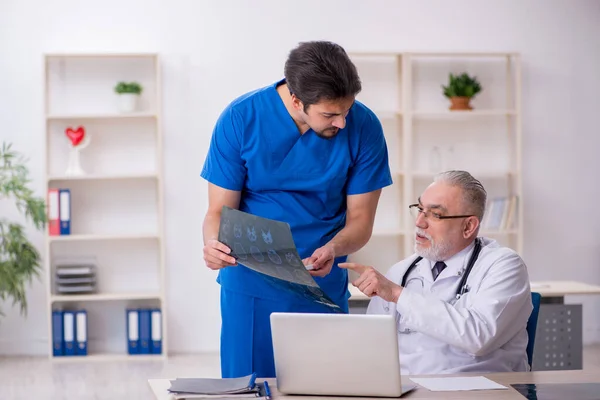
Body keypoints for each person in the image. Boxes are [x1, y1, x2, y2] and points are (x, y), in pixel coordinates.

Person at [200, 40, 393, 378]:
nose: (343, 122)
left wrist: (333, 248)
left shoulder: (365, 128)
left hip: (320, 282)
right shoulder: (240, 118)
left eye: (347, 110)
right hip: (250, 282)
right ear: (296, 100)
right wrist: (213, 244)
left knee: (324, 386)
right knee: (247, 386)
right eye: (330, 114)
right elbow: (218, 211)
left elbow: (361, 220)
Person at [340, 170, 533, 375]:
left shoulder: (503, 266)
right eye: (420, 209)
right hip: (407, 391)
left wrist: (399, 295)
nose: (419, 222)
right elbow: (373, 349)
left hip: (478, 391)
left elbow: (479, 337)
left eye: (435, 214)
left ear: (468, 226)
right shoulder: (401, 272)